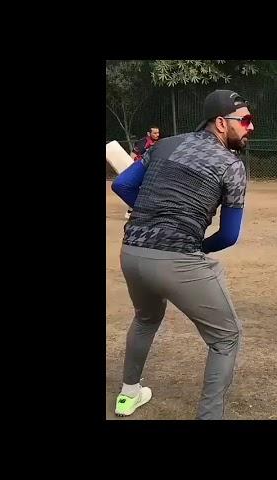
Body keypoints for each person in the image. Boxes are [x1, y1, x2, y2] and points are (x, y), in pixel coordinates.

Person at [110, 90, 254, 419]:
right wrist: (193, 244)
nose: (250, 127)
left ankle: (128, 394)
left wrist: (152, 214)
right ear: (221, 123)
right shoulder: (232, 166)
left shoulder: (163, 145)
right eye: (244, 120)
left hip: (131, 252)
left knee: (146, 318)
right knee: (226, 337)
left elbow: (122, 186)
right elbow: (229, 235)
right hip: (177, 258)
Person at [124, 126, 161, 219]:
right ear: (149, 133)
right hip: (141, 168)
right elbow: (133, 155)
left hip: (152, 168)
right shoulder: (142, 142)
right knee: (138, 189)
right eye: (155, 133)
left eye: (158, 133)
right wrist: (132, 168)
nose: (157, 135)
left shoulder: (159, 142)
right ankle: (130, 211)